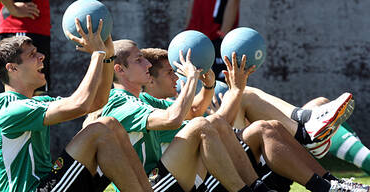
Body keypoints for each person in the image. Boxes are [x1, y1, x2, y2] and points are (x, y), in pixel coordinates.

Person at [139, 48, 370, 192]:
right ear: (150, 80)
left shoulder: (167, 105)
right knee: (249, 104)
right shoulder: (147, 107)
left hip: (209, 171)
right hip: (192, 181)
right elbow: (209, 127)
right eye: (170, 72)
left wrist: (210, 85)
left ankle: (329, 182)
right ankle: (306, 135)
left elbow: (200, 114)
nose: (176, 77)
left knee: (269, 127)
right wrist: (236, 90)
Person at [0, 16, 152, 192]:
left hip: (50, 184)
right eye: (32, 55)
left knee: (111, 124)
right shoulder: (8, 109)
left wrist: (108, 57)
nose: (42, 56)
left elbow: (96, 102)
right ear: (12, 68)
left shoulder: (31, 103)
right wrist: (97, 55)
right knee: (100, 128)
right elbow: (80, 104)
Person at [100, 39, 280, 192]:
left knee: (214, 121)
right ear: (120, 70)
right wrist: (192, 78)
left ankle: (258, 187)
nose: (147, 64)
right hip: (147, 186)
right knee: (201, 126)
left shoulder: (142, 100)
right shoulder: (119, 101)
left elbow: (191, 111)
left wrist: (208, 86)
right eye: (139, 60)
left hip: (159, 178)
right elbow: (173, 118)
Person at [0, 0, 51, 94]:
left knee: (39, 89)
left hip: (39, 27)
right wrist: (12, 8)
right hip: (21, 25)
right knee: (21, 88)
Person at [186, 0, 240, 81]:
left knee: (220, 85)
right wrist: (188, 29)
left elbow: (233, 2)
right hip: (194, 36)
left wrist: (222, 35)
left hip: (215, 37)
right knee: (192, 82)